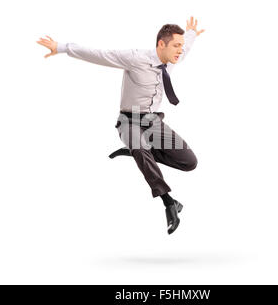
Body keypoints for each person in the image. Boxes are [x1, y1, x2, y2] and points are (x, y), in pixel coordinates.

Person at [36, 16, 205, 234]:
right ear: (161, 44)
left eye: (181, 46)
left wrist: (189, 35)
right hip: (129, 120)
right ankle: (169, 203)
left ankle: (136, 152)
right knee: (139, 145)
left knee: (189, 162)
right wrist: (60, 47)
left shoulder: (172, 58)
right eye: (176, 45)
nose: (180, 51)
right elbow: (98, 54)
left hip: (153, 120)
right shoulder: (135, 58)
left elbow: (187, 47)